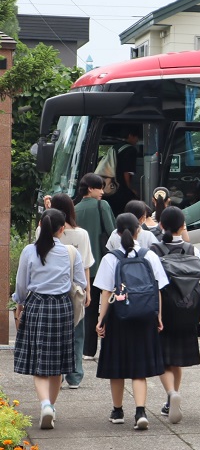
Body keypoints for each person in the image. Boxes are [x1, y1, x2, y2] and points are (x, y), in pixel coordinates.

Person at [12, 209, 87, 429]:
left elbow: (21, 285)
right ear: (62, 229)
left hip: (36, 305)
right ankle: (50, 407)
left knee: (39, 361)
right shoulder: (71, 252)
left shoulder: (29, 251)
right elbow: (81, 283)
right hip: (61, 307)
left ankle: (45, 403)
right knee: (58, 363)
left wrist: (19, 305)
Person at [94, 213, 168, 430]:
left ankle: (117, 411)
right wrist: (158, 316)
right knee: (139, 368)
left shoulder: (110, 258)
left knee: (117, 365)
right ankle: (140, 411)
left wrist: (101, 321)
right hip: (145, 316)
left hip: (118, 316)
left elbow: (106, 292)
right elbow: (158, 289)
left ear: (117, 232)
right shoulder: (149, 256)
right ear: (138, 230)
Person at [151, 206, 200, 424]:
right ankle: (172, 398)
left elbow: (154, 285)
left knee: (163, 358)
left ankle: (171, 394)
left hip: (164, 311)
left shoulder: (154, 250)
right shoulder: (192, 250)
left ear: (160, 225)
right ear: (183, 226)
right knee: (176, 358)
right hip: (188, 310)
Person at [45, 194, 94, 389]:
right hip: (74, 289)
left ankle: (56, 374)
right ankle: (74, 375)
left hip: (50, 288)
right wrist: (88, 291)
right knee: (76, 333)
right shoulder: (81, 234)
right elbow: (85, 266)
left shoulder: (45, 230)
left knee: (54, 335)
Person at [74, 173, 116, 361]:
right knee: (108, 306)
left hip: (83, 267)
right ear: (90, 188)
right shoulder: (102, 206)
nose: (102, 192)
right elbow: (112, 230)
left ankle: (87, 350)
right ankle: (109, 345)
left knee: (88, 308)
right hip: (102, 264)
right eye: (100, 187)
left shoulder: (74, 209)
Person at [104, 126, 140, 216]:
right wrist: (129, 189)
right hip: (121, 190)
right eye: (136, 137)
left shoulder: (114, 147)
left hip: (111, 187)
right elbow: (127, 172)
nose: (137, 140)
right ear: (130, 136)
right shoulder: (130, 150)